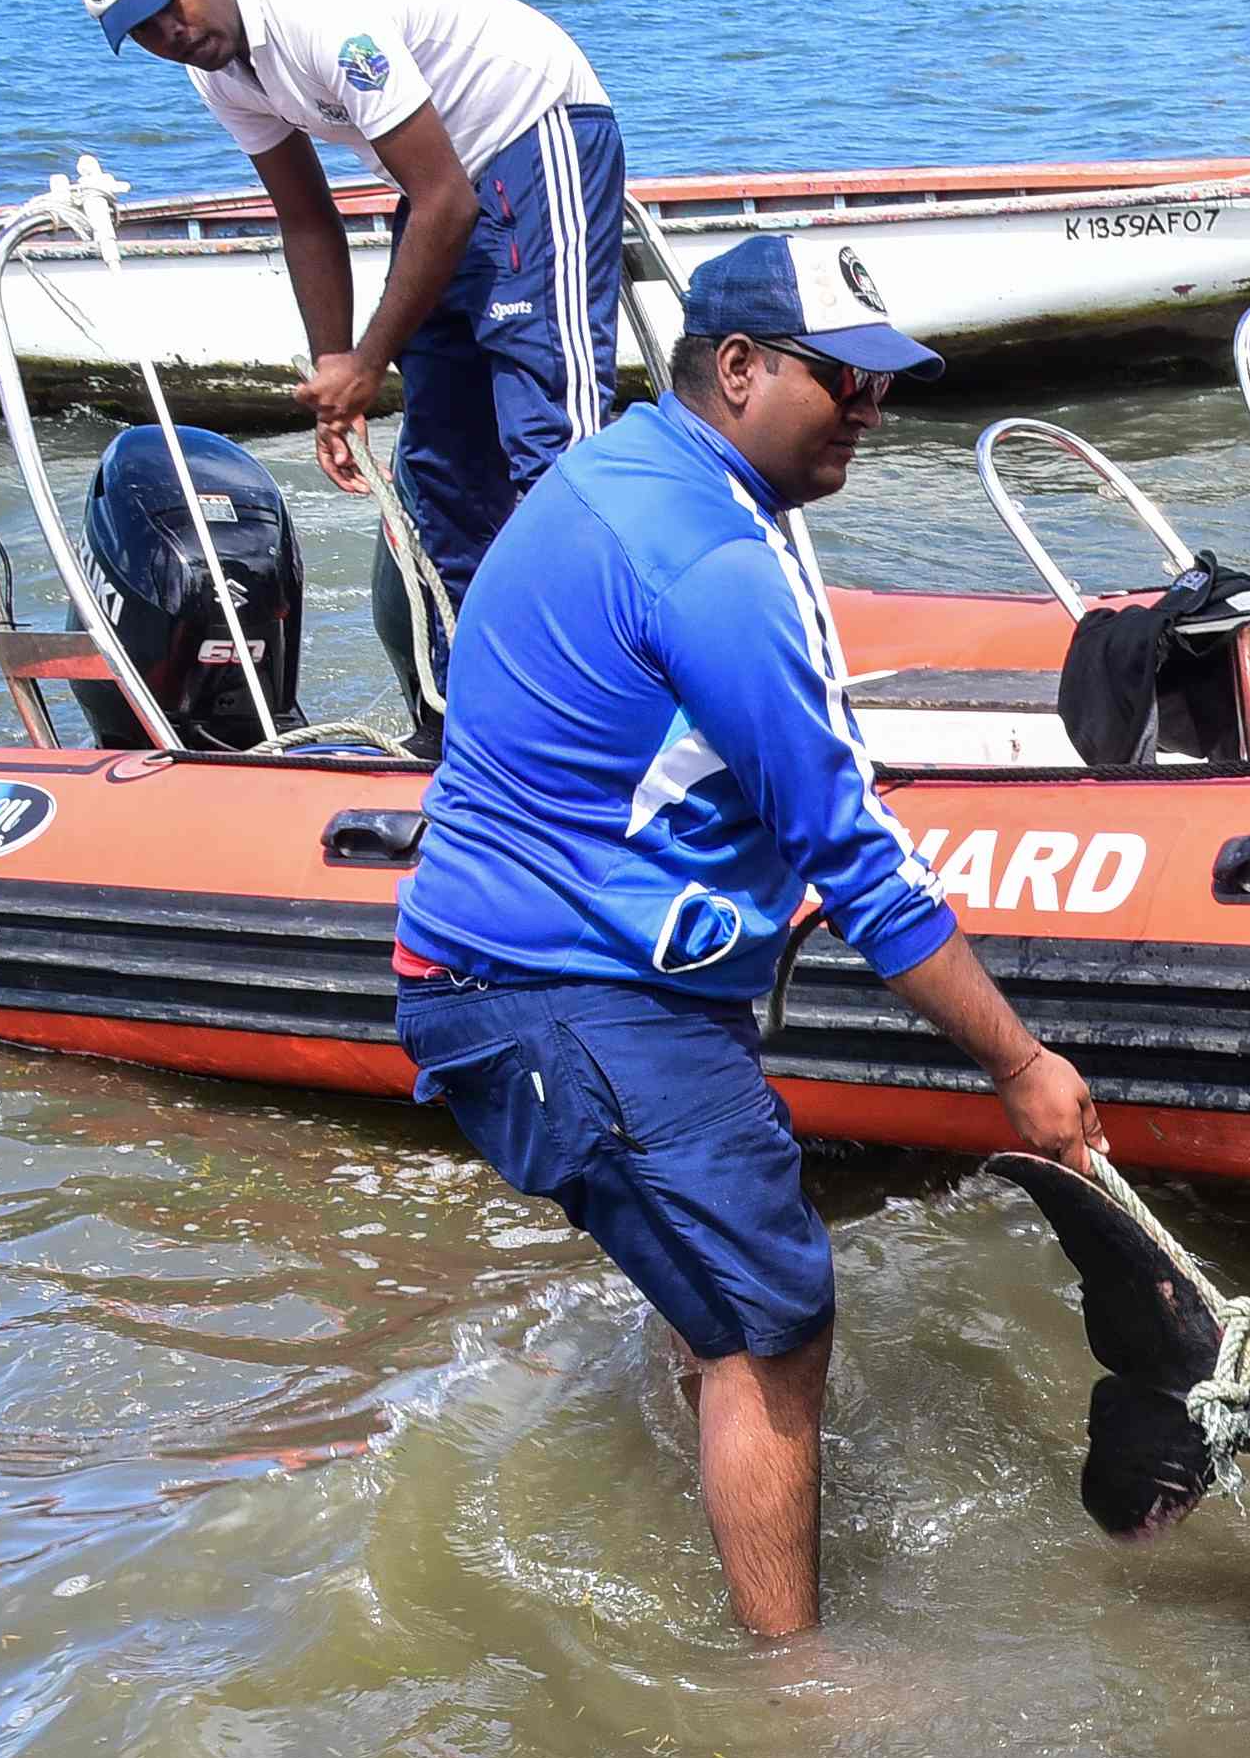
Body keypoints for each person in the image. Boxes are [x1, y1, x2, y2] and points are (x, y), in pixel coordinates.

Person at [389, 232, 1101, 1637]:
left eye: (883, 386)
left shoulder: (611, 476)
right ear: (737, 368)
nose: (870, 413)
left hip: (510, 970)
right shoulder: (709, 558)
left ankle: (701, 1463)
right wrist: (1021, 1065)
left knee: (720, 1280)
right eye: (845, 382)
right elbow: (856, 856)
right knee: (780, 1316)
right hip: (565, 993)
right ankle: (796, 1685)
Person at [61, 0, 624, 719]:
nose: (168, 35)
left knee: (550, 446)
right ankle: (470, 714)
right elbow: (306, 217)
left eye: (166, 4)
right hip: (441, 186)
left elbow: (447, 202)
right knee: (438, 470)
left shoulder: (317, 9)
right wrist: (335, 373)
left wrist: (369, 364)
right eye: (141, 31)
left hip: (538, 137)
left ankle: (599, 707)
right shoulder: (217, 71)